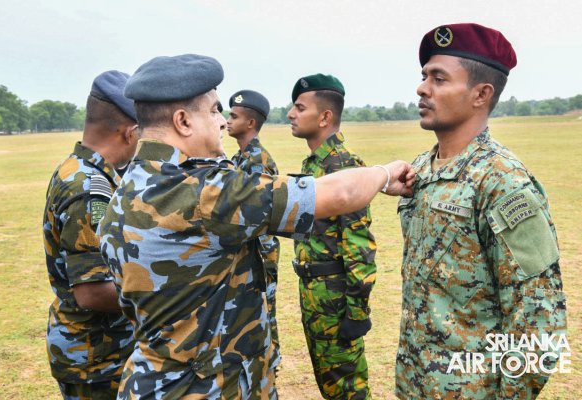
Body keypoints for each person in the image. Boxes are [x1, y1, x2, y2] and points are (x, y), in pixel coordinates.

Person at [97, 54, 415, 399]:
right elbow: (340, 194)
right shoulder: (205, 192)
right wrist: (386, 173)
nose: (222, 122)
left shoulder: (125, 190)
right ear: (183, 121)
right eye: (214, 111)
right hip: (210, 387)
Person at [395, 23, 567, 399]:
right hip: (415, 383)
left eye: (439, 78)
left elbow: (540, 320)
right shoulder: (420, 169)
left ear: (481, 94)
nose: (422, 88)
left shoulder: (503, 181)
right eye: (424, 77)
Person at [42, 70, 138, 399]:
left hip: (96, 350)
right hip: (97, 357)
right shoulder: (89, 188)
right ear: (130, 133)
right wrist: (163, 296)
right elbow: (92, 291)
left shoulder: (80, 170)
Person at [287, 73, 376, 400]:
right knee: (330, 386)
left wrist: (356, 313)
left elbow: (359, 245)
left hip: (336, 300)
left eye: (300, 108)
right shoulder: (315, 164)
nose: (291, 114)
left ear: (325, 117)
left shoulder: (344, 165)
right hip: (314, 294)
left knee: (347, 390)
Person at [227, 89, 282, 371]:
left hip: (260, 252)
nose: (227, 120)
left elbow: (257, 213)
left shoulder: (258, 160)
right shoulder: (239, 158)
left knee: (264, 311)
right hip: (247, 249)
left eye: (234, 116)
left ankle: (270, 365)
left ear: (250, 123)